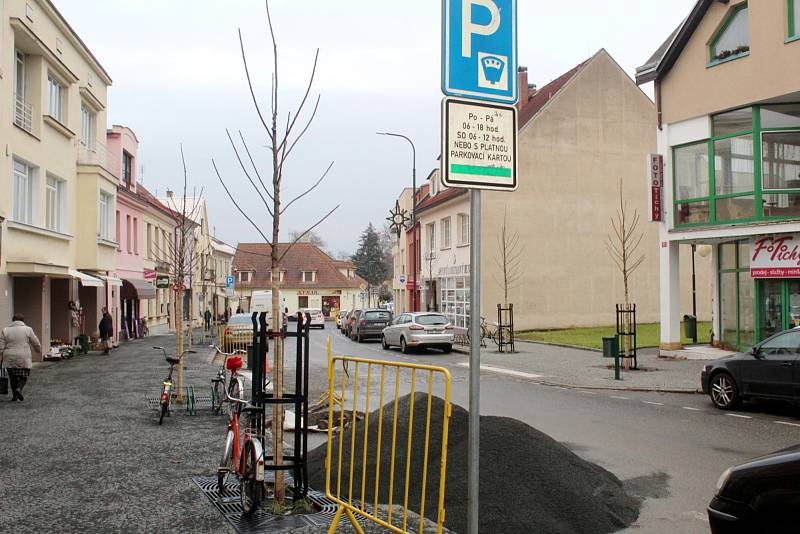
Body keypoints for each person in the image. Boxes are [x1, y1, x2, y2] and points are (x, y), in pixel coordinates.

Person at [0, 314, 42, 402]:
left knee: (12, 377)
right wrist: (38, 350)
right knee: (24, 375)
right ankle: (19, 389)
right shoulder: (28, 329)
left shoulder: (5, 330)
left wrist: (1, 355)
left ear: (13, 320)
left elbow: (1, 346)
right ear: (23, 320)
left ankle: (14, 396)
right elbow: (35, 342)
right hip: (23, 356)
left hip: (9, 356)